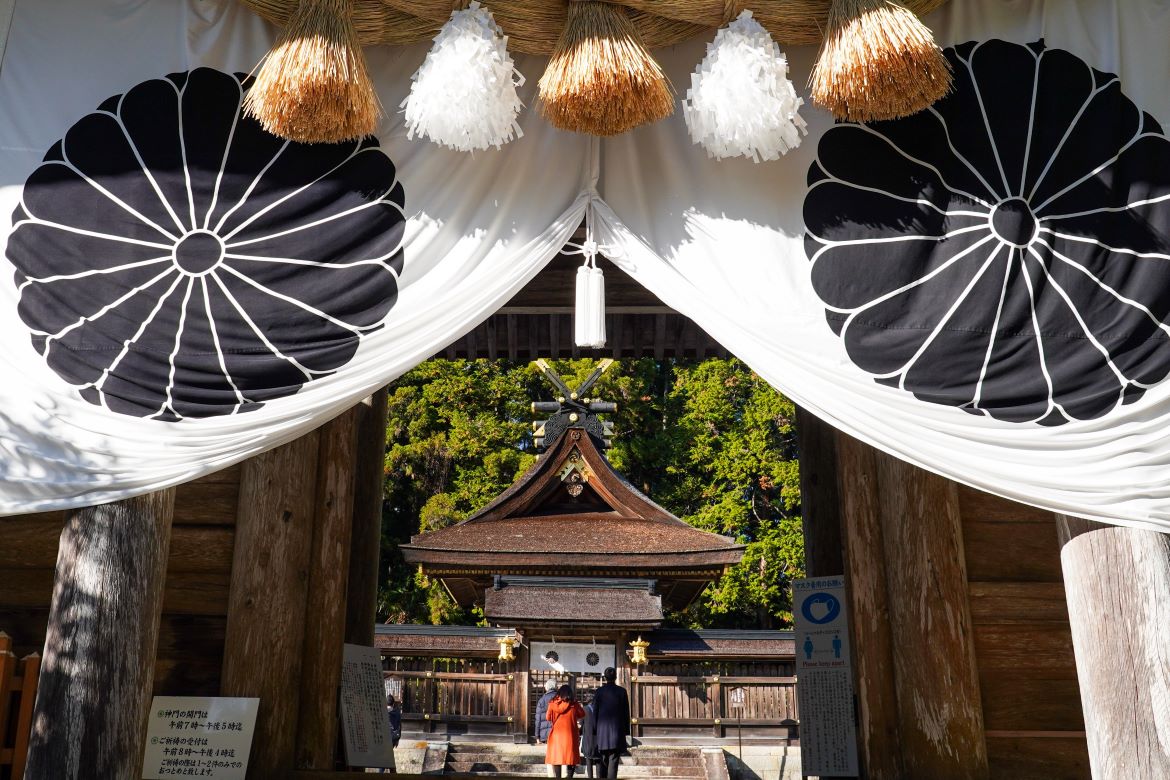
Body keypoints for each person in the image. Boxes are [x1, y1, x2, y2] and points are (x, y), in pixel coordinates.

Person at [591, 668, 629, 779]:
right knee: (614, 758)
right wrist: (626, 730)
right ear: (615, 677)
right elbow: (626, 712)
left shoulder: (599, 692)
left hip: (602, 731)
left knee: (603, 758)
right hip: (617, 731)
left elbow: (595, 712)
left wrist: (594, 729)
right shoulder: (622, 692)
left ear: (605, 678)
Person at [546, 684, 585, 777]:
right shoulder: (574, 704)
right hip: (570, 734)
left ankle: (558, 777)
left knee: (557, 757)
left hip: (556, 734)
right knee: (571, 758)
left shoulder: (552, 703)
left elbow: (548, 717)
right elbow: (582, 714)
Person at [579, 694, 601, 779]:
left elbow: (581, 724)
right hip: (598, 739)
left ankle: (590, 777)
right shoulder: (599, 709)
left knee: (589, 761)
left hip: (588, 739)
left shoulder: (584, 709)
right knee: (598, 761)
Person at [536, 678, 558, 743]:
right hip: (558, 732)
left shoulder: (541, 700)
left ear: (547, 687)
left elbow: (538, 719)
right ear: (556, 687)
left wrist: (537, 736)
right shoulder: (560, 699)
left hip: (545, 734)